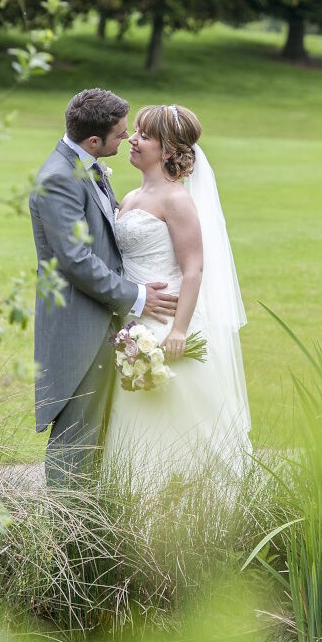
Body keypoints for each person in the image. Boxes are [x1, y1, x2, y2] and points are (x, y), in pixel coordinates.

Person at [29, 88, 178, 486]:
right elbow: (75, 260)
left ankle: (87, 525)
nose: (128, 139)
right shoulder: (58, 179)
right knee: (76, 436)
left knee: (96, 434)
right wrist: (139, 295)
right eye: (120, 134)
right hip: (79, 324)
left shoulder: (85, 164)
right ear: (94, 141)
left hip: (103, 320)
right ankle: (65, 536)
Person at [104, 104, 251, 489]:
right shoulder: (131, 196)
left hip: (166, 324)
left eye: (144, 136)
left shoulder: (177, 200)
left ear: (168, 151)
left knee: (180, 417)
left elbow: (193, 269)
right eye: (134, 132)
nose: (131, 140)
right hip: (133, 322)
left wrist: (179, 331)